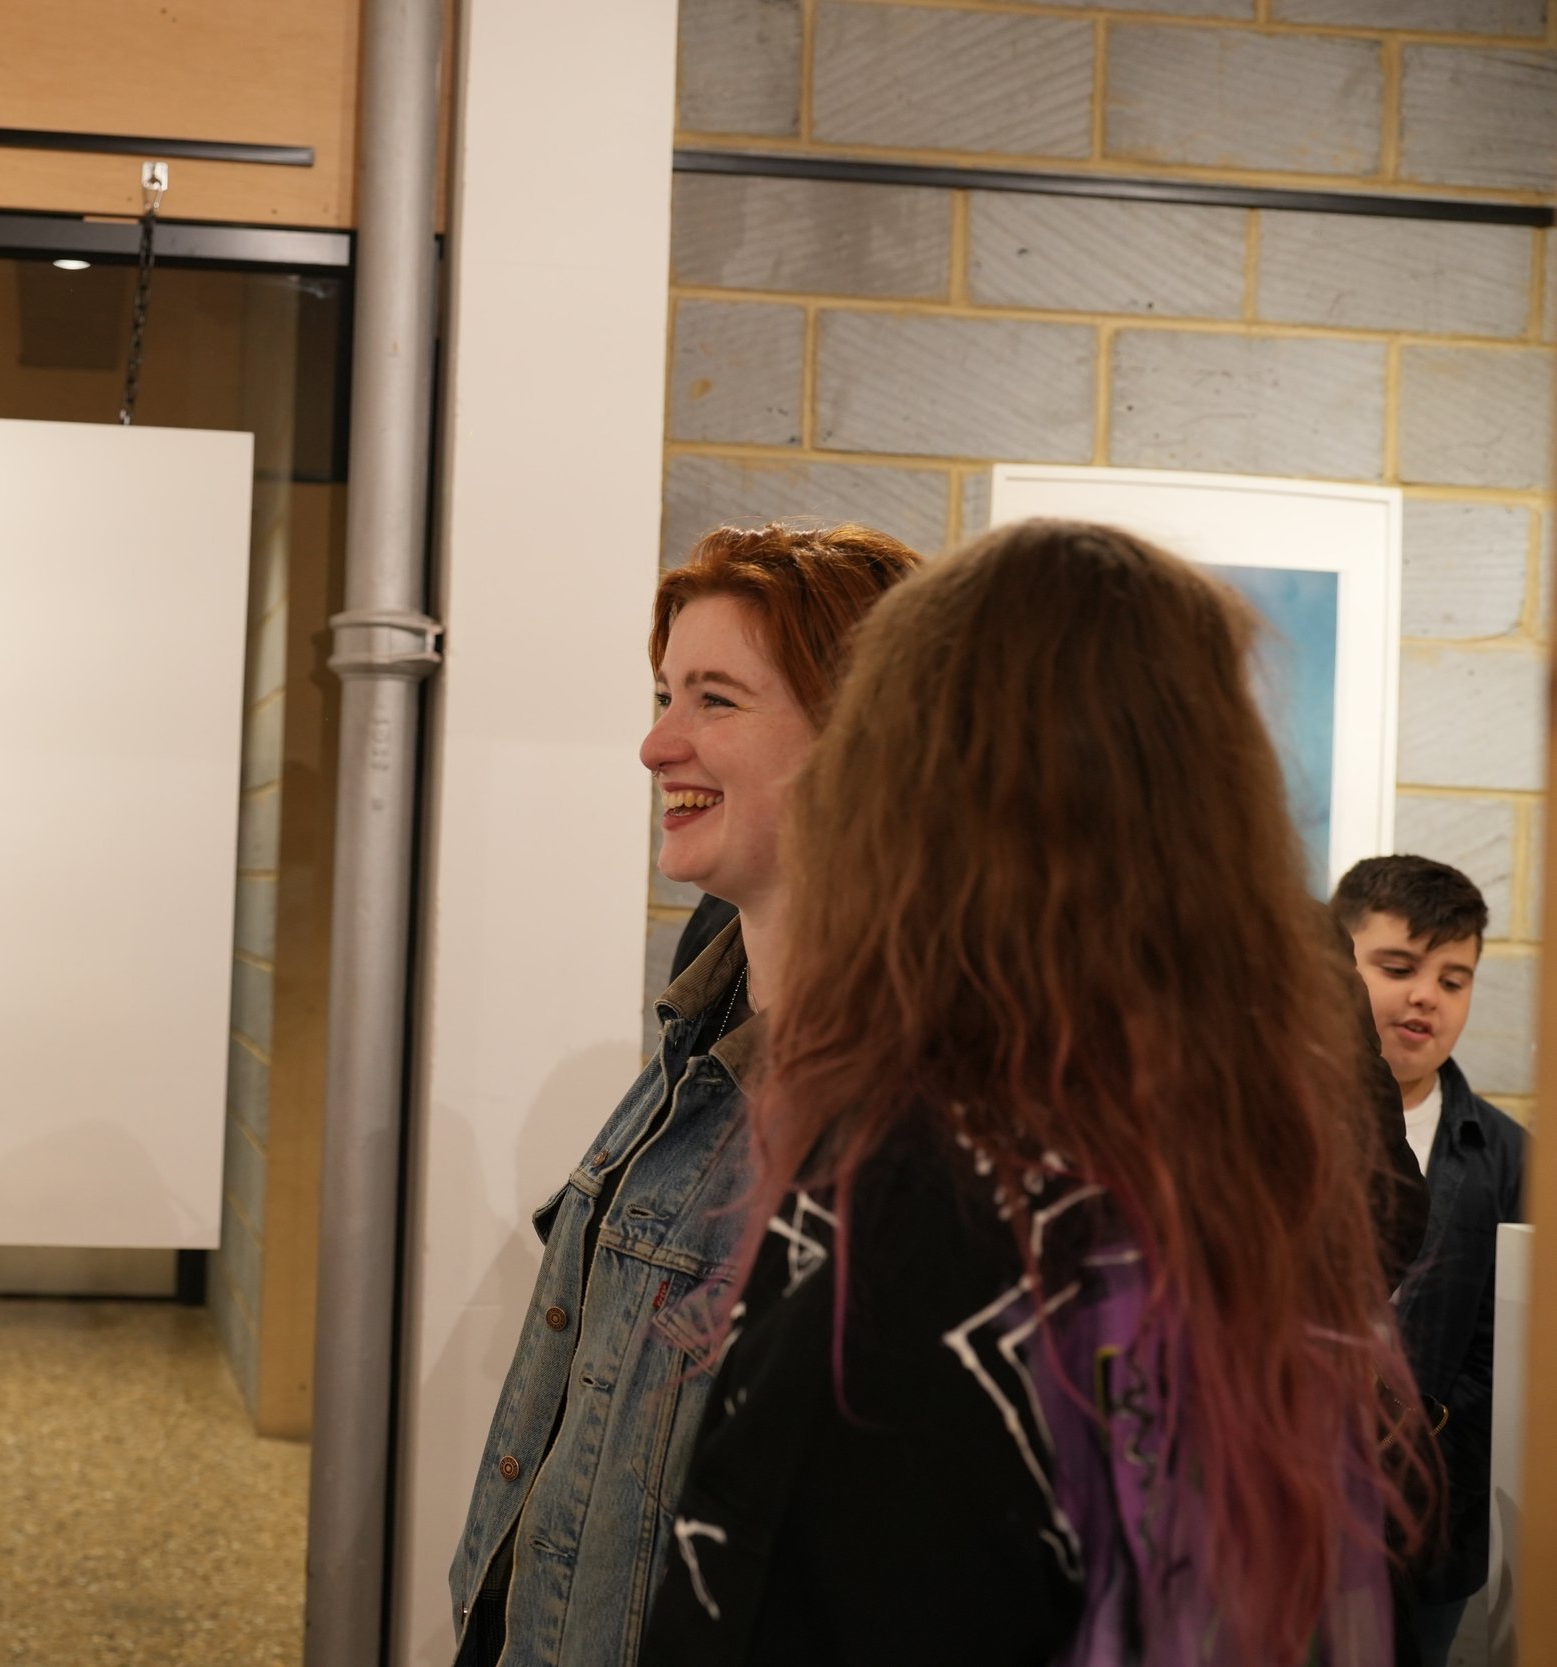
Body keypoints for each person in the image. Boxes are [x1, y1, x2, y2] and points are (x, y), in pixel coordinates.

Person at [643, 520, 1426, 1667]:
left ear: (915, 785)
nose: (661, 741)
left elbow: (771, 1592)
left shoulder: (920, 1184)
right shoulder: (1240, 1150)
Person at [446, 523, 921, 1667]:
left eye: (716, 698)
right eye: (667, 694)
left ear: (865, 736)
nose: (657, 743)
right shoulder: (697, 1034)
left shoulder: (909, 1121)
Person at [1333, 856, 1526, 1667]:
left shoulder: (1509, 1157)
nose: (1426, 996)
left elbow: (1507, 1357)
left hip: (1432, 1530)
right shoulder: (1281, 1129)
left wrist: (1421, 1467)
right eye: (1397, 967)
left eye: (1454, 979)